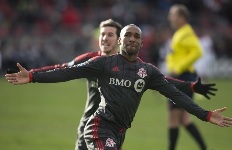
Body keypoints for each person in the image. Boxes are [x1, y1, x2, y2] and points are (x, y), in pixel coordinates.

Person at [5, 24, 232, 150]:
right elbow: (67, 72)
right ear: (121, 41)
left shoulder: (148, 72)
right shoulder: (103, 63)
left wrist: (205, 115)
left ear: (142, 43)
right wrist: (33, 76)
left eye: (137, 36)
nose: (132, 39)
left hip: (119, 132)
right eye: (127, 35)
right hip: (99, 126)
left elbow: (175, 94)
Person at [166, 4, 209, 150]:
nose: (169, 18)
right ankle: (204, 148)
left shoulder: (186, 32)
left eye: (173, 15)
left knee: (173, 117)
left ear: (182, 18)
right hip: (180, 77)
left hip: (184, 77)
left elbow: (198, 52)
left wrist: (179, 67)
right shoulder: (180, 32)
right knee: (183, 118)